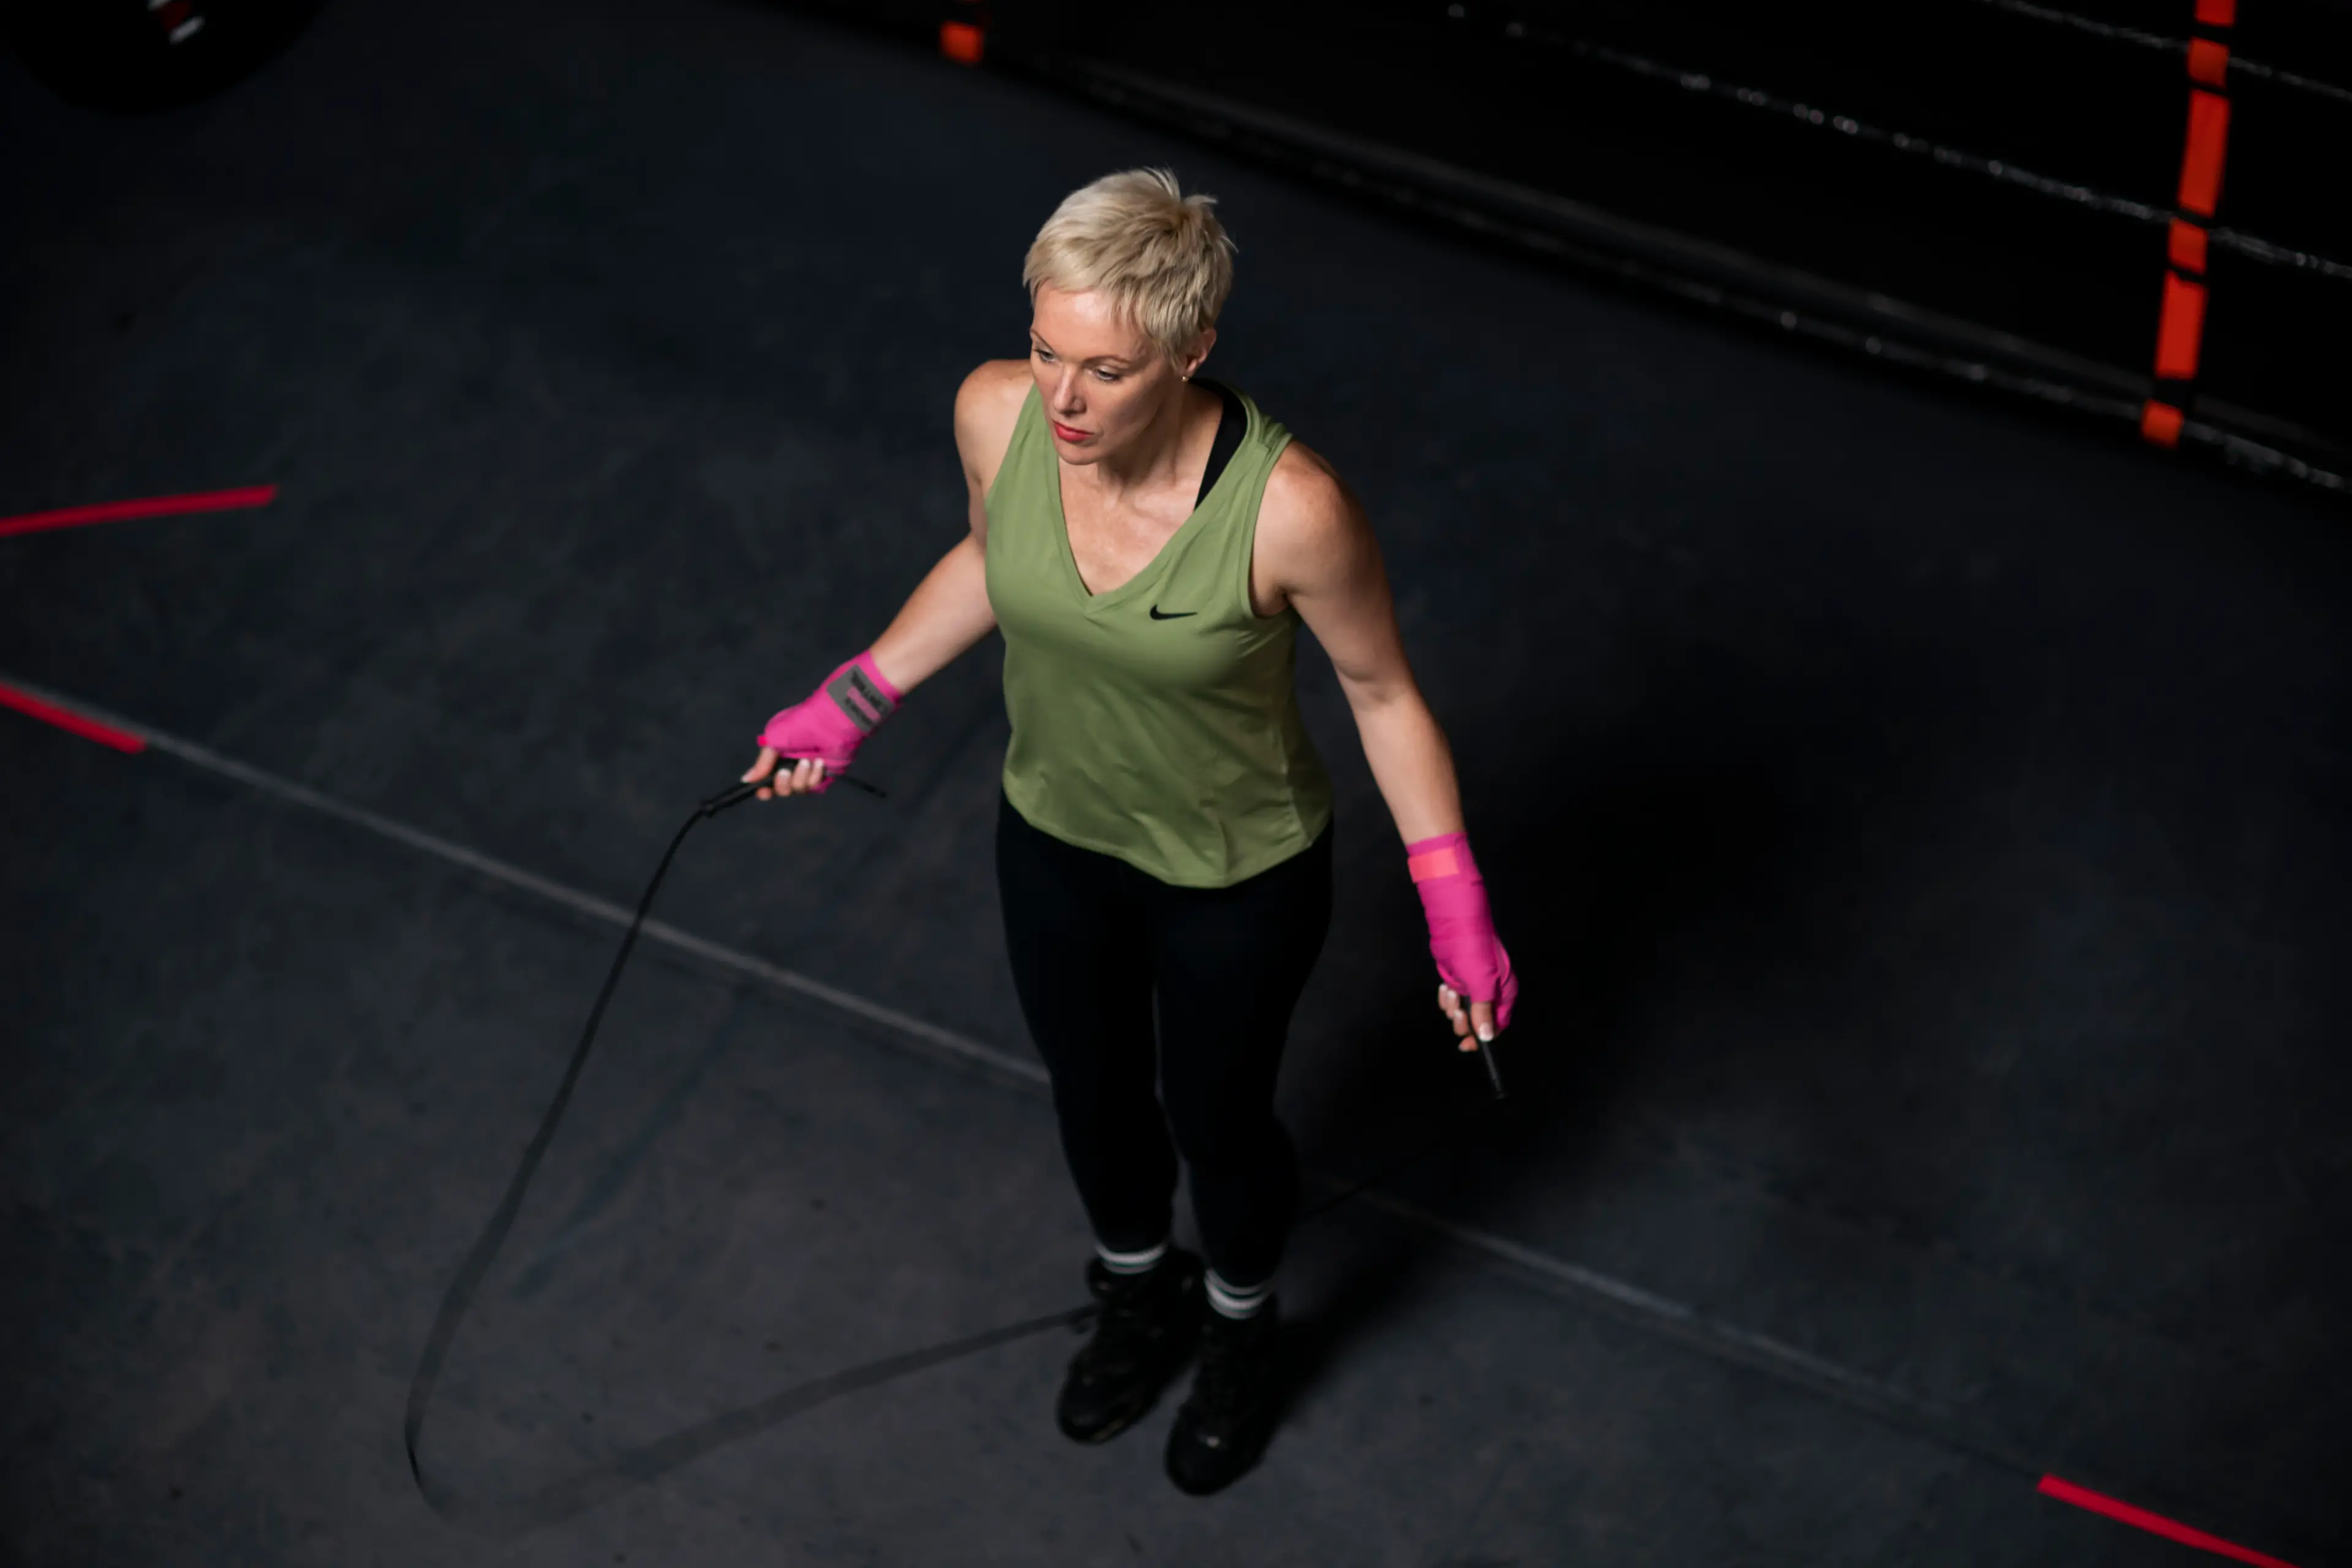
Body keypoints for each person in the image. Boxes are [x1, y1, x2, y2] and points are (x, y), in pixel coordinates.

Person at [742, 168, 1516, 1496]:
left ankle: (1238, 1327)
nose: (1063, 399)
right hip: (1055, 830)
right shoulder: (998, 413)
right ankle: (1140, 1295)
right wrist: (853, 696)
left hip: (1236, 874)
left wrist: (1455, 902)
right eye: (1048, 350)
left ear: (1193, 351)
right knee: (1092, 1097)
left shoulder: (1289, 512)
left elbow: (1383, 692)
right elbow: (991, 559)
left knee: (1219, 1121)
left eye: (1105, 367)